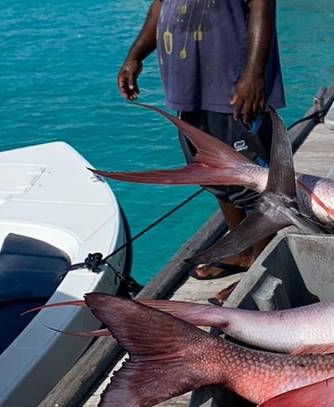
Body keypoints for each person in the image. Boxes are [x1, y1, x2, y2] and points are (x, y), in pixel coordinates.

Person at [118, 0, 285, 298]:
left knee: (255, 184)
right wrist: (135, 56)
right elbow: (160, 6)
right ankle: (243, 250)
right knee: (214, 175)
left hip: (234, 87)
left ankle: (261, 272)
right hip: (190, 89)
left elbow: (262, 5)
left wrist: (253, 75)